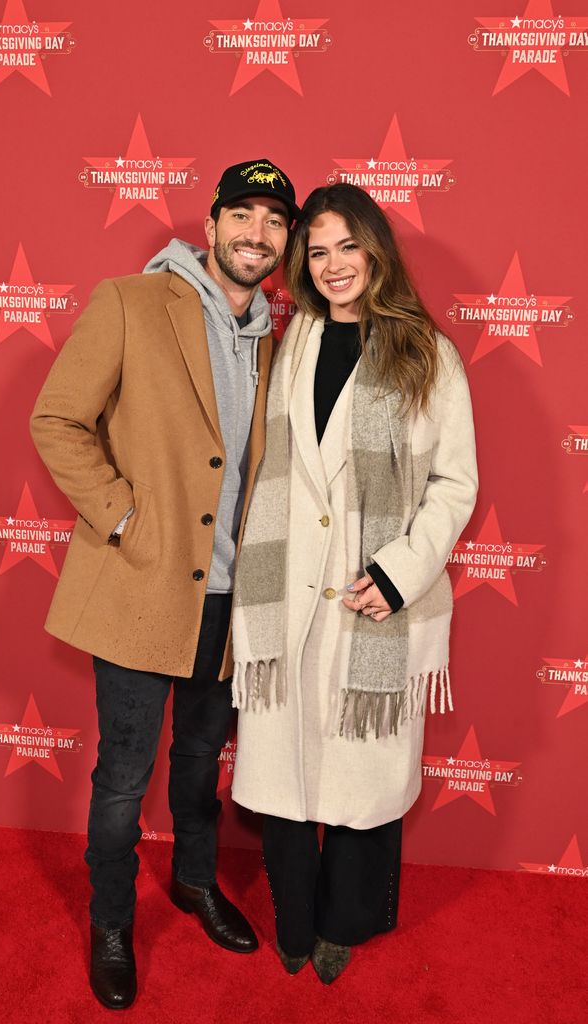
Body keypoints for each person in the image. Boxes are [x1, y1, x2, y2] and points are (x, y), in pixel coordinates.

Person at [30, 159, 299, 1010]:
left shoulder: (273, 336)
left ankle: (192, 880)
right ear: (213, 222)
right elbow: (57, 418)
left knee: (197, 765)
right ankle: (111, 918)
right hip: (146, 586)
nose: (257, 234)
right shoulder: (130, 302)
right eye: (244, 215)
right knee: (122, 775)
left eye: (275, 222)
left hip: (229, 599)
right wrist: (121, 516)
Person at [230, 183, 478, 984]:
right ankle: (294, 926)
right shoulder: (291, 338)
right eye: (319, 250)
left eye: (349, 247)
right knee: (280, 775)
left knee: (362, 784)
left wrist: (397, 573)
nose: (335, 265)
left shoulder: (427, 353)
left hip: (376, 600)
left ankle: (343, 926)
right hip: (284, 595)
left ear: (377, 251)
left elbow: (454, 484)